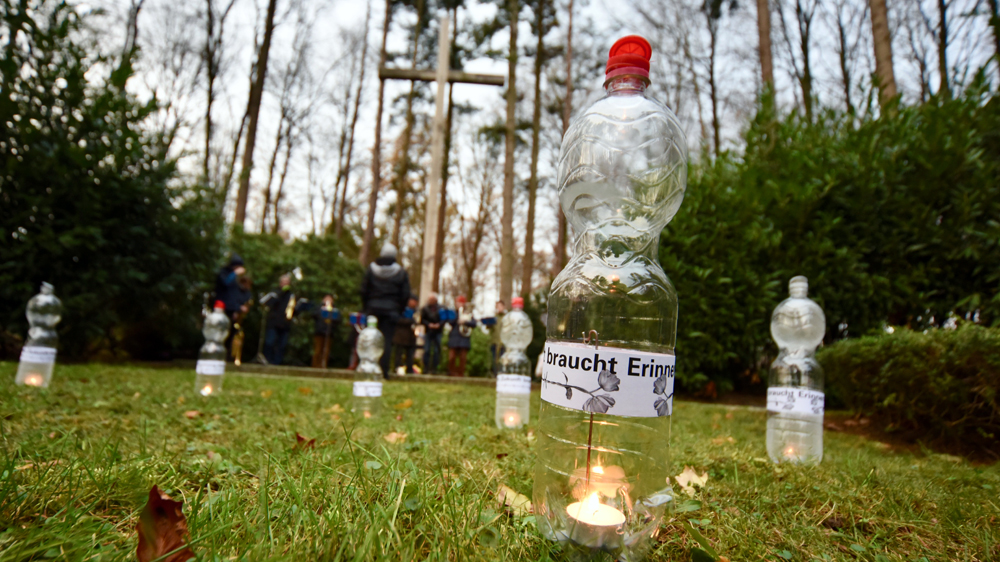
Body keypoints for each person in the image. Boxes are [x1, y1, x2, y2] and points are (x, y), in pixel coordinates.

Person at [360, 243, 410, 378]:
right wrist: (399, 309)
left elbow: (364, 290)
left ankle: (368, 370)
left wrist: (366, 307)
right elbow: (405, 294)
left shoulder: (371, 269)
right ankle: (384, 372)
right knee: (386, 341)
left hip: (373, 309)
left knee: (371, 340)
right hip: (391, 311)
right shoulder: (401, 272)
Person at [262, 274, 306, 365]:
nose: (286, 284)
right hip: (273, 322)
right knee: (269, 342)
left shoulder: (292, 295)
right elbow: (266, 303)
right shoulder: (275, 292)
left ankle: (276, 363)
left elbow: (294, 310)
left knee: (282, 345)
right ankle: (267, 361)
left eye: (287, 282)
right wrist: (280, 293)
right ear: (280, 283)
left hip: (285, 324)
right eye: (284, 282)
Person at [214, 255, 250, 360]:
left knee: (230, 333)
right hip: (221, 308)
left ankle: (227, 355)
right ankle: (216, 354)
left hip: (231, 308)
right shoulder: (224, 273)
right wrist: (235, 273)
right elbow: (225, 283)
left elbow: (234, 295)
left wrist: (237, 308)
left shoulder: (235, 278)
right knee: (220, 331)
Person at [447, 295, 477, 377]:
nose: (458, 304)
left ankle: (461, 374)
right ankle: (451, 373)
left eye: (460, 302)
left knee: (463, 358)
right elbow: (450, 322)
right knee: (451, 357)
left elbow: (474, 324)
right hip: (454, 337)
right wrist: (458, 318)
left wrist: (465, 322)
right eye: (457, 302)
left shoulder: (468, 313)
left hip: (464, 338)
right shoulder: (453, 312)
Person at [311, 294, 341, 369]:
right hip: (319, 331)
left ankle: (323, 366)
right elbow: (314, 315)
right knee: (317, 350)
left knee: (326, 351)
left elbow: (338, 320)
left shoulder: (335, 309)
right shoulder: (319, 308)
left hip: (329, 332)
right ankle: (315, 366)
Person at [392, 295, 418, 374]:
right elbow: (398, 320)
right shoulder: (402, 309)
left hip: (411, 335)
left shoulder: (415, 311)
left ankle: (409, 368)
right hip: (401, 335)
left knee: (410, 353)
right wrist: (409, 321)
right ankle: (397, 367)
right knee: (399, 352)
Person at [420, 294, 444, 374]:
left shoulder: (441, 308)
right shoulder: (425, 308)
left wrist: (439, 325)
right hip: (428, 331)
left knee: (437, 351)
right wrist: (428, 324)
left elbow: (444, 319)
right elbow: (422, 320)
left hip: (438, 332)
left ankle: (435, 369)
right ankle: (426, 368)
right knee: (427, 350)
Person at [486, 300, 506, 376]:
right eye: (498, 306)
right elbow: (489, 328)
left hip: (503, 342)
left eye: (501, 306)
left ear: (504, 307)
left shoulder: (506, 318)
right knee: (494, 359)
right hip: (494, 341)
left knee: (502, 359)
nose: (499, 308)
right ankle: (495, 375)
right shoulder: (494, 318)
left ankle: (502, 374)